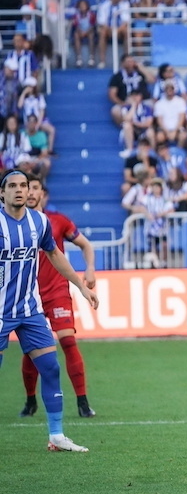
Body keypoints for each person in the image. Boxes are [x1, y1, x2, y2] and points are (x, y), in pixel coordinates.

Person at [0, 170, 99, 452]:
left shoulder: (39, 222)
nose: (20, 190)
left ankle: (56, 435)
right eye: (13, 186)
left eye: (24, 185)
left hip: (30, 310)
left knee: (51, 367)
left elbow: (55, 255)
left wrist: (81, 286)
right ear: (2, 193)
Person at [19, 176, 98, 418]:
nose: (30, 193)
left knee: (68, 341)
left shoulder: (57, 221)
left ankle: (83, 402)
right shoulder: (15, 225)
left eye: (35, 188)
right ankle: (31, 400)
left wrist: (90, 269)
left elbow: (86, 245)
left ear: (42, 193)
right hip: (28, 297)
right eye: (26, 188)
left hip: (57, 293)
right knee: (31, 351)